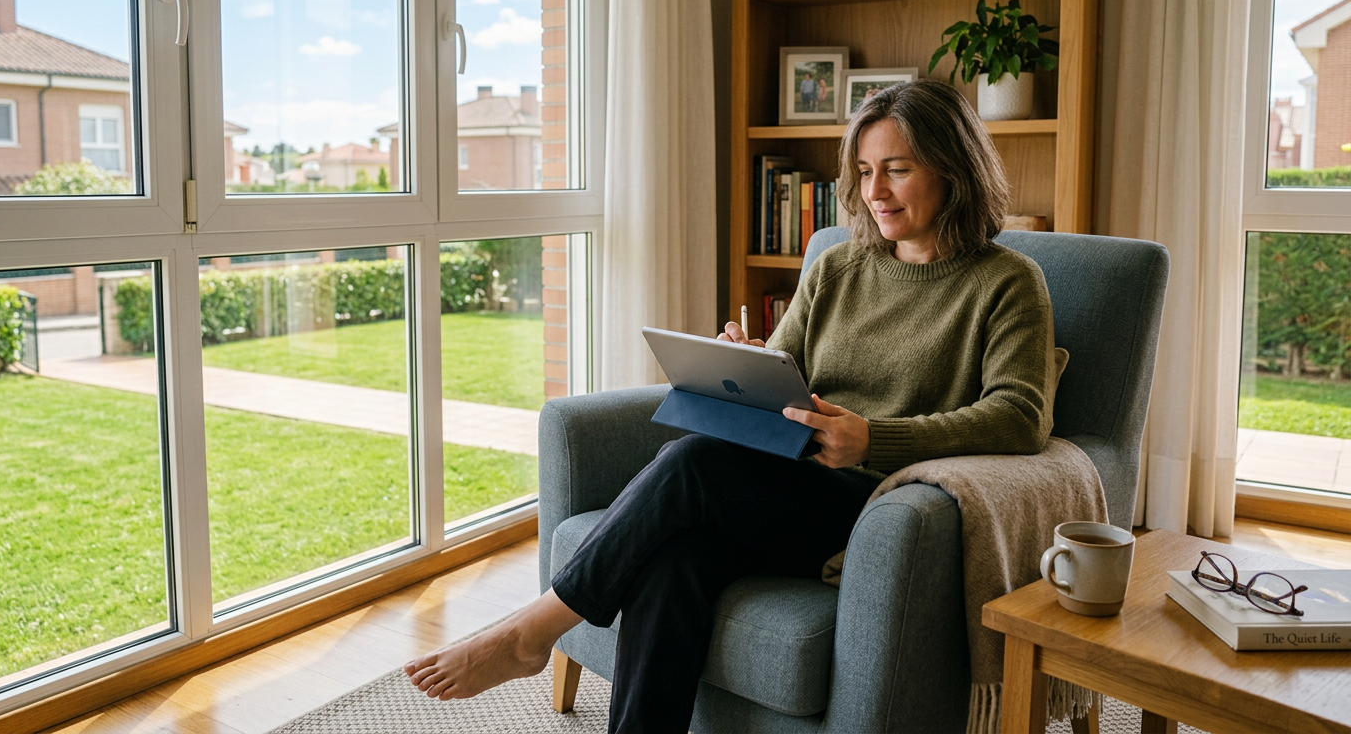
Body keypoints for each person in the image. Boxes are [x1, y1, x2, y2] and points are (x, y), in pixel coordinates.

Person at [403, 79, 1055, 734]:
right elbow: (786, 368)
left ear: (953, 167)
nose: (874, 192)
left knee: (693, 465)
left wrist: (872, 439)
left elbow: (1021, 415)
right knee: (673, 560)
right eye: (863, 171)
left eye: (897, 170)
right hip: (789, 485)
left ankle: (532, 630)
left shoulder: (1004, 281)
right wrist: (742, 365)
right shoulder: (838, 267)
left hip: (879, 506)